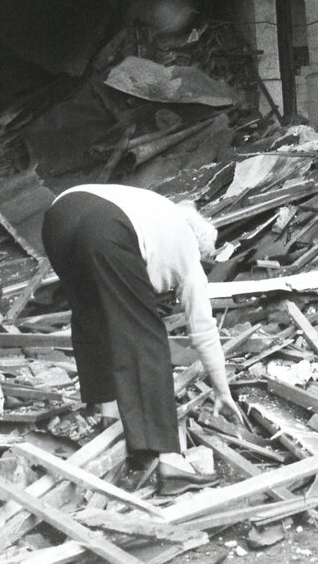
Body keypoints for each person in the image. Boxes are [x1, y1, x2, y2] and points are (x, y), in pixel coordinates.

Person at [42, 183, 242, 493]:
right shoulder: (189, 253)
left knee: (91, 314)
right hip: (104, 226)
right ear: (200, 246)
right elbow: (203, 331)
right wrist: (222, 390)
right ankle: (171, 461)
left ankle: (108, 418)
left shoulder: (158, 215)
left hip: (59, 217)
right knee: (144, 335)